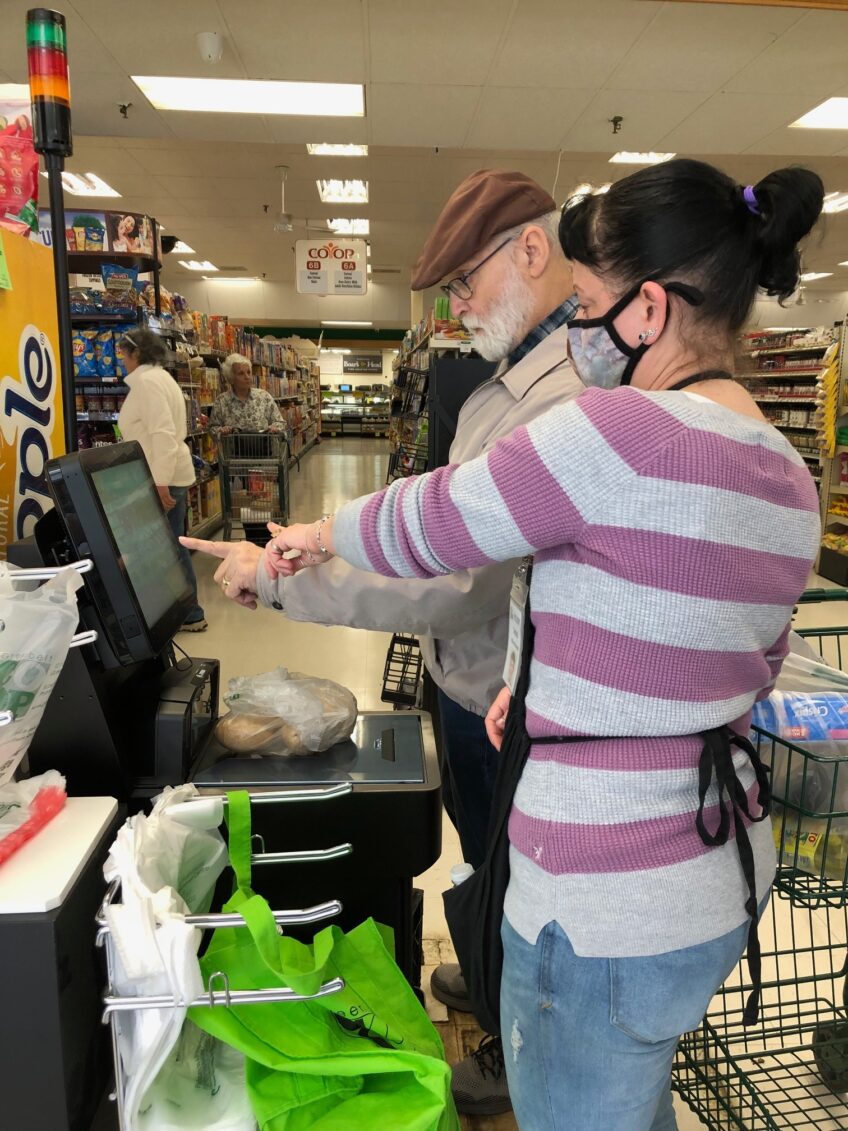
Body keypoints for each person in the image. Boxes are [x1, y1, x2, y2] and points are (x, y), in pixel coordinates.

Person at [189, 158, 824, 1130]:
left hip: (597, 895)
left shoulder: (612, 430)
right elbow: (741, 660)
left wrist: (303, 542)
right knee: (628, 1099)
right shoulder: (785, 473)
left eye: (585, 301)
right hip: (715, 872)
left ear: (646, 308)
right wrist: (545, 688)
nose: (576, 329)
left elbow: (438, 522)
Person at [183, 169, 583, 1114]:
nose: (455, 305)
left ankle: (512, 1044)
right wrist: (310, 539)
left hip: (509, 691)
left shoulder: (556, 398)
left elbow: (452, 576)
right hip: (475, 677)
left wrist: (286, 576)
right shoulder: (513, 373)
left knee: (517, 878)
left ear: (532, 249)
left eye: (466, 280)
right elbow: (431, 509)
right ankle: (485, 984)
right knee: (485, 858)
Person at [117, 329, 207, 632]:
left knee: (157, 548)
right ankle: (184, 611)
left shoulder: (146, 382)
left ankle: (177, 613)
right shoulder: (159, 378)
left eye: (123, 354)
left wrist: (160, 483)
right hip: (165, 474)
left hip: (160, 476)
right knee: (170, 545)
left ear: (137, 354)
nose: (121, 360)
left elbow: (162, 434)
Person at [209, 354, 285, 434]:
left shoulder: (264, 397)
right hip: (233, 446)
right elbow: (212, 428)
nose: (247, 377)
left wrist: (274, 428)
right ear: (231, 378)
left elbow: (280, 422)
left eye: (249, 372)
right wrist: (221, 430)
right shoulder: (221, 401)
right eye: (241, 373)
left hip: (261, 445)